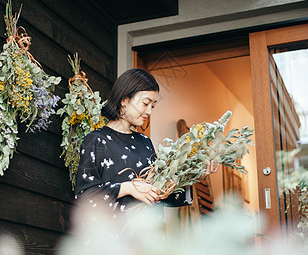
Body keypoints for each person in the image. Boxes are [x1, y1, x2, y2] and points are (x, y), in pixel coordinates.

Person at [74, 68, 218, 214]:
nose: (149, 111)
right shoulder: (96, 140)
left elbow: (160, 195)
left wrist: (194, 177)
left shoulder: (145, 142)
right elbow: (84, 196)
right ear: (124, 100)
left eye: (153, 106)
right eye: (145, 103)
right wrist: (127, 188)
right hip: (114, 234)